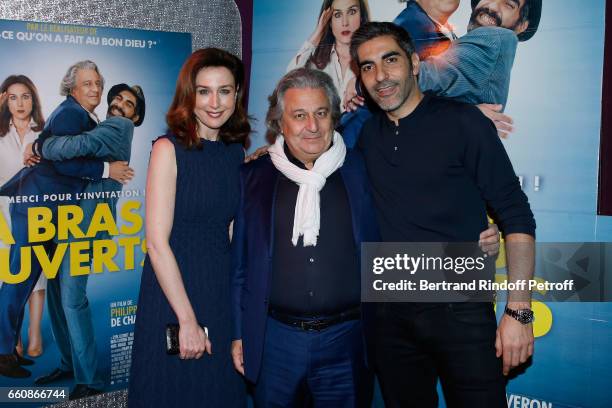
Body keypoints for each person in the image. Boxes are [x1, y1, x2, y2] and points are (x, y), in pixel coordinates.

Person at [231, 68, 500, 407]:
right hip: (275, 344)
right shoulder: (253, 178)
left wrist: (472, 236)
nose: (311, 126)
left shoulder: (362, 168)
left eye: (321, 113)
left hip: (346, 343)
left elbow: (415, 212)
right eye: (299, 115)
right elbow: (240, 267)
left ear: (334, 117)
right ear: (279, 122)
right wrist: (241, 334)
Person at [351, 22, 536, 408]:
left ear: (415, 64)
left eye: (390, 60)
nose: (380, 76)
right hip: (390, 317)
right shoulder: (366, 136)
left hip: (462, 311)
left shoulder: (464, 123)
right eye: (367, 66)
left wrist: (518, 311)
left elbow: (516, 215)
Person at [128, 48, 250, 408]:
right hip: (173, 296)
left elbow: (228, 231)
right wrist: (187, 319)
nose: (215, 102)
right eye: (204, 91)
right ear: (188, 95)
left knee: (217, 392)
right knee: (173, 393)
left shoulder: (234, 153)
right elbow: (156, 242)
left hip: (218, 292)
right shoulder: (168, 149)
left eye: (224, 91)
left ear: (237, 94)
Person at [0, 60, 132, 382]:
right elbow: (63, 161)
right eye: (88, 83)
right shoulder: (72, 113)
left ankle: (6, 352)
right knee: (20, 280)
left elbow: (53, 150)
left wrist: (38, 145)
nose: (95, 89)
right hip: (37, 206)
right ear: (72, 87)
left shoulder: (80, 114)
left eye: (98, 83)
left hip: (47, 208)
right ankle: (3, 353)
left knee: (26, 279)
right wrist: (104, 170)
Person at [32, 83, 144, 400]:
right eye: (118, 99)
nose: (121, 104)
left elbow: (68, 148)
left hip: (87, 229)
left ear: (135, 117)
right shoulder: (100, 124)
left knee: (72, 298)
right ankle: (69, 363)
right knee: (55, 293)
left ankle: (90, 379)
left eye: (130, 104)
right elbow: (76, 158)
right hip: (69, 224)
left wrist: (43, 146)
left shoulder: (118, 128)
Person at [0, 75, 46, 360]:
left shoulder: (43, 132)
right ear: (5, 100)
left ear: (34, 99)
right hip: (2, 213)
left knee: (36, 277)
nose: (20, 103)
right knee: (9, 275)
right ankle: (11, 335)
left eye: (26, 96)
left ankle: (35, 333)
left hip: (35, 212)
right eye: (13, 97)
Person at [287, 0, 369, 113]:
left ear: (361, 16)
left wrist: (359, 81)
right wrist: (319, 31)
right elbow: (289, 80)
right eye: (337, 15)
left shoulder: (372, 60)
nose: (345, 22)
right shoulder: (315, 63)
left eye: (352, 12)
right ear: (329, 21)